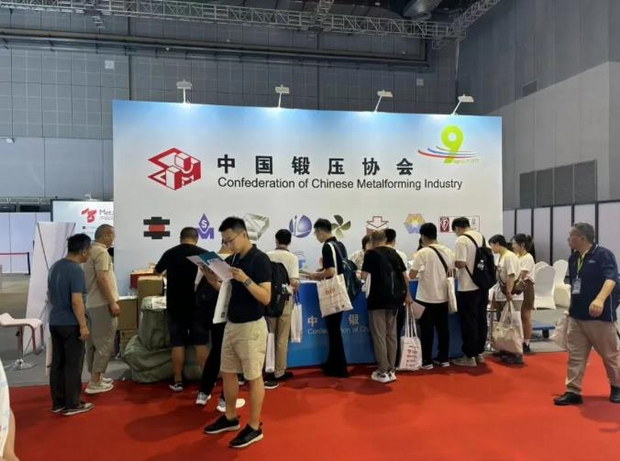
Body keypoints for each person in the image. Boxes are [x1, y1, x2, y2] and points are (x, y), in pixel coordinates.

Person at [204, 217, 272, 448]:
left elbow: (266, 297)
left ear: (243, 234)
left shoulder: (260, 259)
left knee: (253, 376)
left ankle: (254, 426)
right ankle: (230, 417)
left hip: (252, 326)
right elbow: (228, 291)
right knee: (228, 372)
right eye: (224, 241)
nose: (228, 245)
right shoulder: (233, 259)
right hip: (231, 323)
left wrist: (245, 279)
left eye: (230, 240)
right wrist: (211, 278)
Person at [554, 222, 620, 406]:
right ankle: (573, 390)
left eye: (571, 236)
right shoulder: (573, 258)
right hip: (577, 315)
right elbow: (575, 285)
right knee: (575, 355)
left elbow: (611, 279)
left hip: (600, 317)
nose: (568, 239)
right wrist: (570, 309)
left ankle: (617, 386)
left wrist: (599, 299)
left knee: (610, 355)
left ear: (582, 238)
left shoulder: (603, 255)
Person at [155, 227, 208, 392]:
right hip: (198, 305)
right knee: (200, 342)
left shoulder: (170, 253)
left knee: (177, 343)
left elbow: (156, 271)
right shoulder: (204, 254)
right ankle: (207, 381)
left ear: (180, 238)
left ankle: (178, 381)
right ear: (196, 239)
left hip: (175, 304)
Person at [195, 241, 246, 413]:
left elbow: (197, 285)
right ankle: (225, 399)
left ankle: (203, 393)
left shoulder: (207, 261)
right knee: (232, 356)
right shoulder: (235, 262)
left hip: (213, 314)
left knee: (216, 351)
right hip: (231, 313)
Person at [48, 233, 93, 416]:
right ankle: (73, 404)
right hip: (70, 323)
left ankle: (58, 402)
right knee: (73, 364)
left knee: (58, 363)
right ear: (83, 250)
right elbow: (76, 301)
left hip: (55, 321)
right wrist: (83, 325)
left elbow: (49, 294)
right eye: (89, 250)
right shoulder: (76, 270)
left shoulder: (55, 267)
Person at [361, 231, 411, 383]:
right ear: (385, 239)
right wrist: (407, 295)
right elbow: (405, 277)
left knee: (379, 335)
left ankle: (382, 371)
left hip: (377, 299)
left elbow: (363, 276)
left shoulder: (370, 254)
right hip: (395, 299)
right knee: (391, 334)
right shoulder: (394, 253)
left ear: (372, 240)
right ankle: (391, 369)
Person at [308, 218, 350, 378]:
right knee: (334, 330)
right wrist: (322, 271)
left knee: (334, 331)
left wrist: (316, 275)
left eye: (316, 233)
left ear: (320, 231)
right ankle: (333, 363)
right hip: (341, 290)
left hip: (332, 292)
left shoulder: (327, 246)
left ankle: (339, 368)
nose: (316, 236)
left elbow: (331, 271)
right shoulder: (340, 245)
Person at [410, 223, 455, 369]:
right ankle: (444, 359)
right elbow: (452, 272)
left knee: (427, 330)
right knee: (443, 329)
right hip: (443, 296)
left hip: (425, 297)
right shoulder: (448, 251)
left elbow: (412, 275)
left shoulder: (422, 253)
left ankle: (427, 361)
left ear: (423, 236)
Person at [83, 224, 119, 395]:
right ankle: (95, 382)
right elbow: (102, 279)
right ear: (106, 235)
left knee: (93, 344)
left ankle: (95, 376)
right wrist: (112, 302)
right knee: (105, 342)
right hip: (102, 304)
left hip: (91, 303)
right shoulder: (102, 253)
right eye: (112, 236)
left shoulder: (89, 251)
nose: (113, 240)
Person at [451, 217, 489, 367]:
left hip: (467, 286)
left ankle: (469, 356)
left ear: (457, 228)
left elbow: (461, 263)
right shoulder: (482, 237)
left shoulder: (462, 240)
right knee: (481, 319)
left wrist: (452, 261)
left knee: (469, 322)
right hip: (482, 285)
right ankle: (479, 353)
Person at [266, 229, 300, 383]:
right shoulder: (292, 258)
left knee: (269, 335)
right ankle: (279, 371)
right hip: (285, 301)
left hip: (268, 300)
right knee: (282, 338)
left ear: (276, 240)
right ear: (289, 241)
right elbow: (294, 282)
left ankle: (268, 368)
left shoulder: (267, 255)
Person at [489, 234, 524, 365]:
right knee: (503, 323)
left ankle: (516, 352)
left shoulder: (509, 256)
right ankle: (505, 348)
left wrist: (509, 292)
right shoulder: (502, 257)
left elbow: (511, 275)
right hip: (502, 294)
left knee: (513, 323)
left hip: (511, 295)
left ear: (497, 244)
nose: (492, 248)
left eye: (492, 245)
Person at [385, 228, 409, 366]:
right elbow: (405, 277)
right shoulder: (401, 255)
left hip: (384, 299)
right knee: (396, 331)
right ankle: (395, 361)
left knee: (384, 333)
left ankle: (386, 362)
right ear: (394, 240)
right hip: (399, 298)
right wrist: (407, 295)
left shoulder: (376, 254)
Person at [512, 234, 536, 354]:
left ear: (521, 245)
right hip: (516, 287)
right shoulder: (516, 256)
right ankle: (518, 341)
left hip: (526, 287)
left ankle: (526, 342)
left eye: (514, 244)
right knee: (517, 316)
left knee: (525, 316)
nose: (512, 246)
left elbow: (522, 274)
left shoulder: (528, 257)